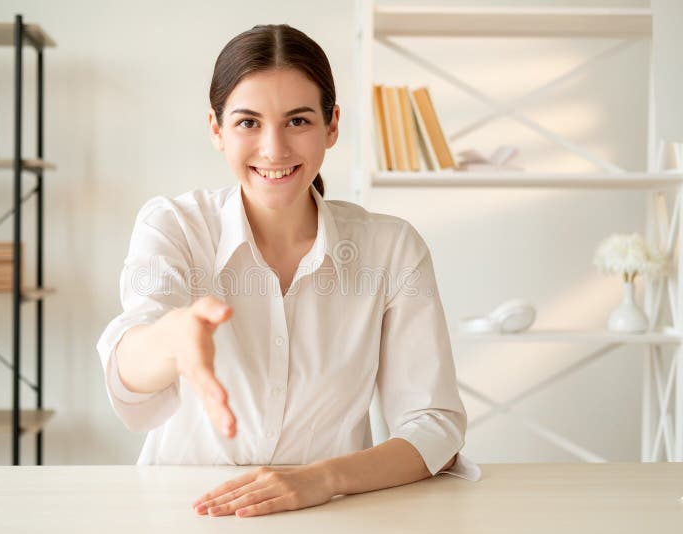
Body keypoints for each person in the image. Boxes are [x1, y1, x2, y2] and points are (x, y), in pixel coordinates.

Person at [96, 23, 480, 519]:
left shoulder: (391, 248)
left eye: (297, 121)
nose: (274, 149)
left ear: (332, 125)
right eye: (248, 122)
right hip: (184, 513)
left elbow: (434, 427)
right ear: (216, 129)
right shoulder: (173, 226)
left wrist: (324, 478)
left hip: (335, 514)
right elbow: (129, 366)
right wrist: (172, 341)